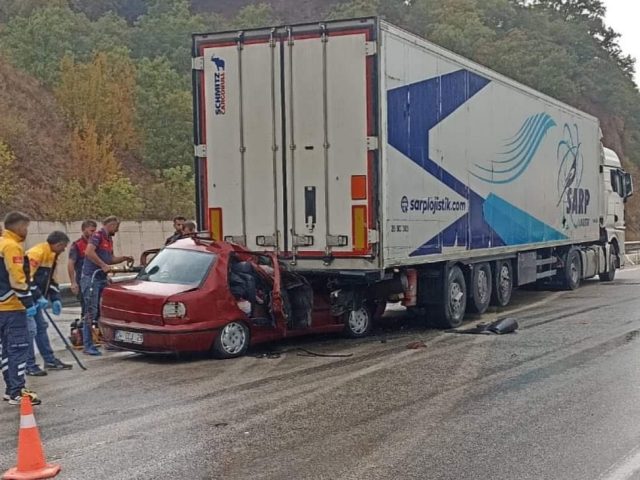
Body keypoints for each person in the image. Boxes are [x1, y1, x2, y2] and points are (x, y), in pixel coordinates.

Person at [0, 212, 41, 405]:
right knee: (18, 348)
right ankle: (17, 392)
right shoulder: (12, 246)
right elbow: (17, 279)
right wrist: (29, 303)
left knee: (6, 351)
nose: (26, 231)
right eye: (25, 227)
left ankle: (11, 389)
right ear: (17, 227)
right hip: (12, 307)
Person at [80, 216, 133, 356]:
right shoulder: (97, 236)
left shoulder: (109, 239)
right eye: (116, 227)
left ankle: (109, 341)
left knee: (104, 310)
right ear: (111, 225)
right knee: (91, 311)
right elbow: (89, 252)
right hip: (91, 278)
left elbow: (110, 259)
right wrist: (103, 265)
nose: (117, 230)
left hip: (102, 278)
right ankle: (88, 345)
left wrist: (123, 259)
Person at [25, 231, 73, 376]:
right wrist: (37, 297)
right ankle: (29, 364)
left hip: (35, 300)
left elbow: (52, 280)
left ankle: (49, 360)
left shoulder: (53, 256)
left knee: (41, 327)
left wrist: (56, 298)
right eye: (63, 246)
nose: (64, 249)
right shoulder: (36, 253)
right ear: (58, 244)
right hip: (24, 300)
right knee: (29, 331)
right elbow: (26, 278)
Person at [67, 220, 97, 321]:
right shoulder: (77, 245)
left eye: (94, 231)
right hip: (82, 281)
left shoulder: (95, 245)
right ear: (83, 230)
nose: (93, 233)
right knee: (86, 308)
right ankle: (85, 332)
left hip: (96, 280)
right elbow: (71, 263)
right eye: (91, 231)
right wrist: (73, 283)